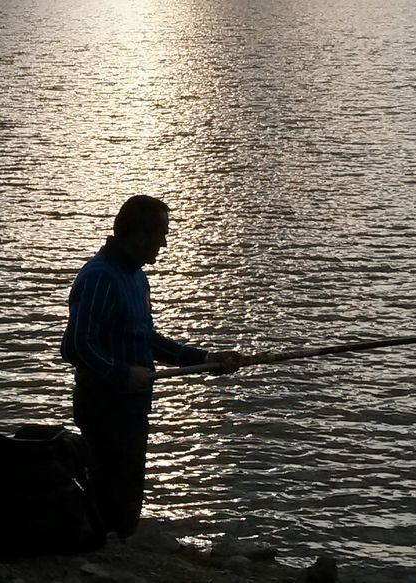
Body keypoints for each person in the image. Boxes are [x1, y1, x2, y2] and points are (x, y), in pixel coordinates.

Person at [60, 194, 241, 541]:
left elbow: (148, 340)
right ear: (141, 236)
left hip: (132, 407)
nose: (165, 243)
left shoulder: (136, 277)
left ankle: (112, 544)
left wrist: (204, 359)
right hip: (104, 406)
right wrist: (122, 373)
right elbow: (76, 346)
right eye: (162, 234)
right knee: (110, 491)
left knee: (126, 494)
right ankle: (99, 552)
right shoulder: (100, 277)